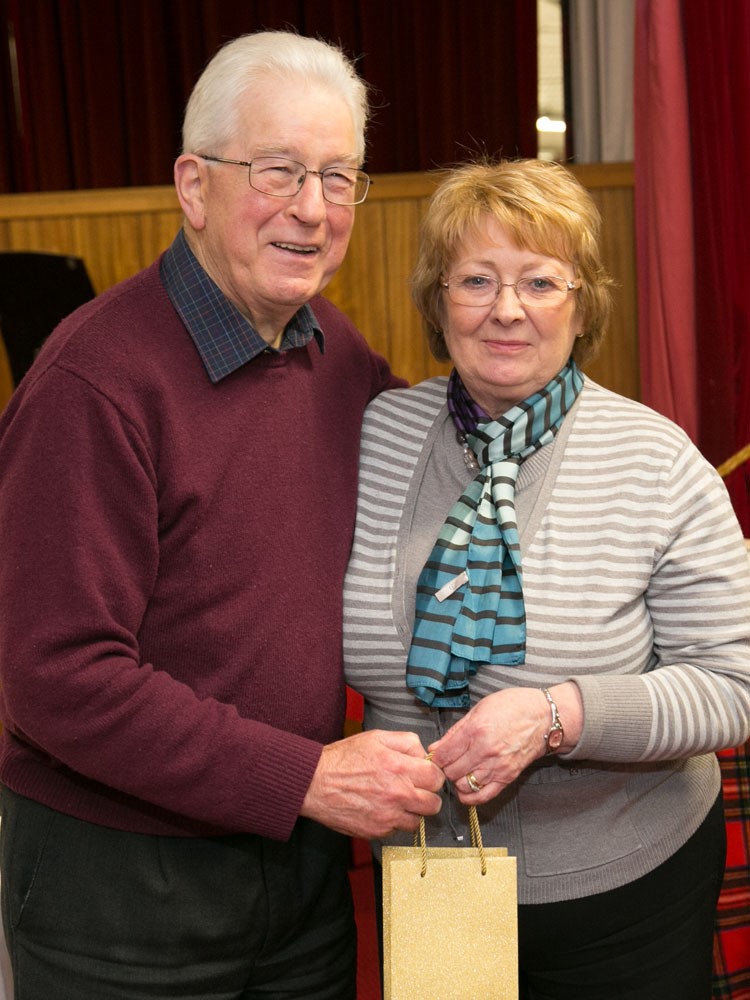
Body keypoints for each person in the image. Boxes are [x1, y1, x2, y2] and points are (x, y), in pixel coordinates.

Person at [0, 30, 444, 1000]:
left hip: (301, 881)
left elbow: (441, 455)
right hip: (123, 889)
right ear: (193, 187)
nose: (313, 209)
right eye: (279, 171)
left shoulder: (333, 347)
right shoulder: (92, 384)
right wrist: (306, 779)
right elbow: (56, 677)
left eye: (339, 177)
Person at [343, 158, 750, 1000]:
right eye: (476, 279)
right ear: (436, 299)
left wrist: (559, 713)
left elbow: (735, 685)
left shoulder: (658, 460)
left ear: (583, 301)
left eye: (539, 281)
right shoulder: (378, 435)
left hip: (623, 893)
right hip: (432, 876)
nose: (506, 309)